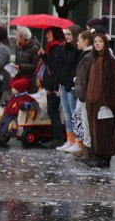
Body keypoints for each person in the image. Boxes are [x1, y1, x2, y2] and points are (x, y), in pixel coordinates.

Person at [83, 31, 115, 168]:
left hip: (105, 101)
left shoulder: (109, 61)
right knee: (95, 130)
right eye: (95, 42)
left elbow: (114, 83)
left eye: (100, 41)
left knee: (105, 130)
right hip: (93, 99)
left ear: (105, 44)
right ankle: (97, 154)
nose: (97, 44)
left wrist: (109, 102)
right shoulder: (94, 60)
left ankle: (105, 157)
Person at [56, 25, 83, 154]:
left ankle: (78, 141)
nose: (66, 37)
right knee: (66, 114)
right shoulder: (64, 49)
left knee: (74, 114)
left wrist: (69, 81)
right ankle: (69, 140)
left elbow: (74, 68)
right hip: (63, 84)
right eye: (65, 34)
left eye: (69, 34)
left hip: (71, 86)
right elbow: (62, 67)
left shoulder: (77, 51)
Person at [40, 26, 67, 147]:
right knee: (52, 112)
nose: (46, 36)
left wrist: (54, 87)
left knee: (53, 113)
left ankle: (57, 138)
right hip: (51, 85)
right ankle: (55, 137)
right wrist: (43, 56)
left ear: (55, 34)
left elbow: (56, 70)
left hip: (53, 86)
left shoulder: (56, 49)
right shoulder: (53, 49)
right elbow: (50, 65)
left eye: (49, 33)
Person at [72, 29, 94, 161]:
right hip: (81, 93)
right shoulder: (85, 55)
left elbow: (87, 77)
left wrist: (83, 91)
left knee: (85, 121)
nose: (77, 42)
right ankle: (83, 147)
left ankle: (87, 148)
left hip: (84, 94)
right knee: (80, 119)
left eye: (79, 40)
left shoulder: (88, 56)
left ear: (85, 41)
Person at [14, 26, 39, 91]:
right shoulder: (19, 46)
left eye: (17, 36)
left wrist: (21, 66)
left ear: (23, 38)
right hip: (20, 75)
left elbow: (36, 65)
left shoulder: (34, 48)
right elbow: (17, 60)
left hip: (30, 79)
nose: (15, 38)